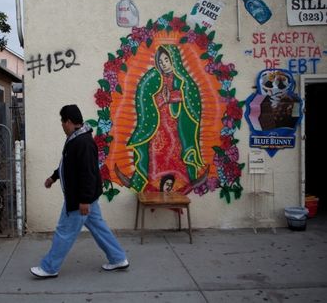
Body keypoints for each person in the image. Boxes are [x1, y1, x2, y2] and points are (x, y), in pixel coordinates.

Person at [30, 104, 129, 279]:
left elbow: (88, 174)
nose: (61, 125)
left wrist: (83, 201)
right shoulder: (76, 138)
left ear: (68, 122)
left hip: (79, 199)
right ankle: (118, 258)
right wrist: (54, 177)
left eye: (62, 121)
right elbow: (68, 165)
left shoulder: (83, 142)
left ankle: (49, 268)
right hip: (86, 197)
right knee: (99, 228)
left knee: (64, 231)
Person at [123, 44, 205, 193]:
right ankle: (153, 184)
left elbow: (192, 99)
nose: (164, 64)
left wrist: (173, 97)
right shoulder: (153, 78)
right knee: (156, 152)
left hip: (176, 126)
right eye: (161, 62)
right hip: (158, 127)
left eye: (166, 59)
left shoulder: (184, 79)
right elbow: (144, 99)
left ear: (174, 59)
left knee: (175, 151)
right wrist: (161, 98)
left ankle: (180, 183)